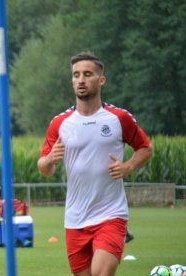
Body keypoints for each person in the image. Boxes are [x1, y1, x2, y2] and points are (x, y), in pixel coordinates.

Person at [37, 52, 152, 276]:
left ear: (101, 80)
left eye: (87, 74)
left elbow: (145, 148)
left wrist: (127, 167)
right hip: (75, 218)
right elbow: (44, 169)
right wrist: (50, 159)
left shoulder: (118, 118)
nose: (81, 80)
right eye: (76, 75)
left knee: (102, 273)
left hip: (111, 214)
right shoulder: (60, 123)